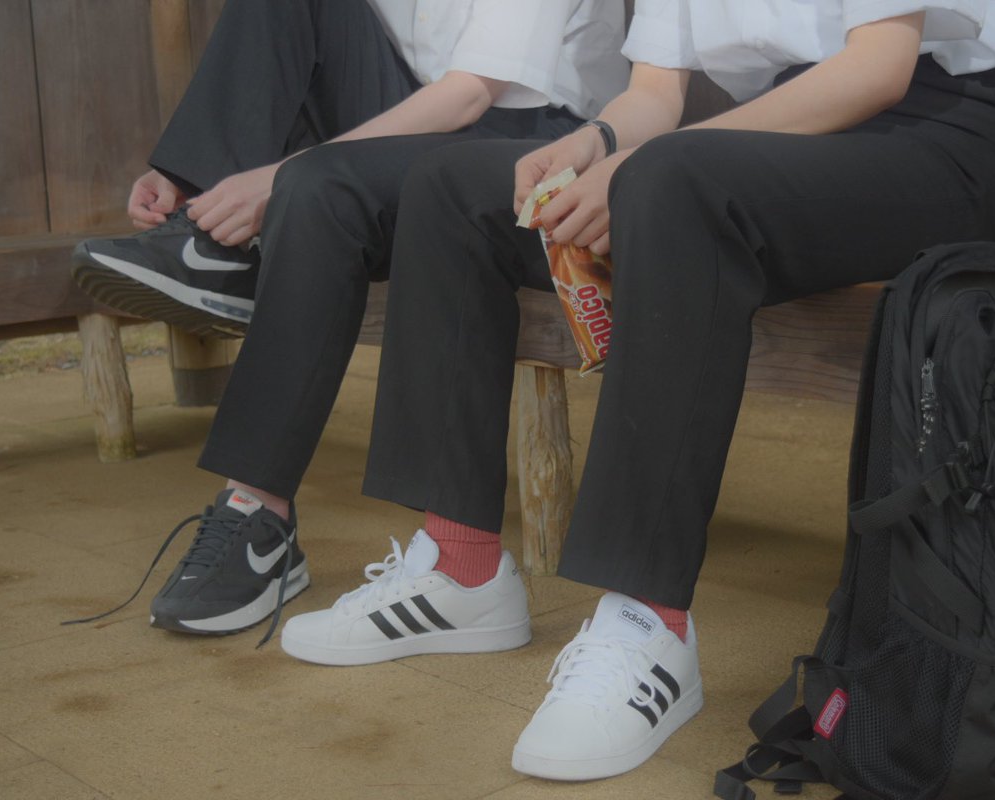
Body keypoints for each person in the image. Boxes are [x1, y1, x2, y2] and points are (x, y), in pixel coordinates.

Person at [276, 0, 995, 782]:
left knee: (672, 182)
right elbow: (654, 94)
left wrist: (647, 163)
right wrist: (593, 143)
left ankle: (647, 625)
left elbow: (876, 70)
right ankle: (461, 570)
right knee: (452, 186)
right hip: (774, 138)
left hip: (943, 138)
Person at [68, 0, 630, 641]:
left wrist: (282, 176)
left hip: (546, 146)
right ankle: (204, 235)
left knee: (316, 188)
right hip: (413, 119)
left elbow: (470, 94)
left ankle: (258, 509)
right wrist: (198, 174)